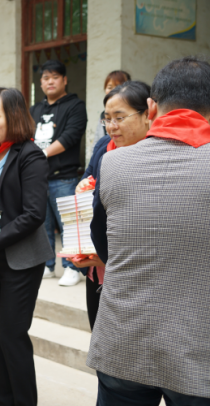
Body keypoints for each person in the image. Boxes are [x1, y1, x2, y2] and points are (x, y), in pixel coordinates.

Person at [88, 56, 210, 405]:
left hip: (123, 338)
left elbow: (103, 242)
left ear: (152, 107)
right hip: (197, 348)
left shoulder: (112, 162)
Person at [0, 88, 53, 406]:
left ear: (14, 116)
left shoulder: (30, 155)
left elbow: (34, 214)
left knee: (12, 335)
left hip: (21, 259)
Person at [70, 81, 151, 331]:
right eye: (107, 119)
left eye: (119, 117)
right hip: (95, 266)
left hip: (131, 270)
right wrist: (84, 185)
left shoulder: (154, 156)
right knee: (97, 332)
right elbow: (88, 176)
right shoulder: (103, 147)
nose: (112, 126)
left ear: (147, 114)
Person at [30, 59, 88, 286]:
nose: (50, 81)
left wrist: (42, 154)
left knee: (69, 225)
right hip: (38, 178)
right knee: (41, 225)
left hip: (64, 177)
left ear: (64, 80)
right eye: (46, 78)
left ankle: (72, 267)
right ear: (41, 83)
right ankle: (47, 265)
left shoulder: (75, 106)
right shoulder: (35, 110)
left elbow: (70, 136)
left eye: (55, 77)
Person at [92, 71, 131, 146]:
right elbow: (97, 142)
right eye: (109, 87)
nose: (113, 91)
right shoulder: (103, 115)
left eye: (118, 87)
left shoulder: (131, 112)